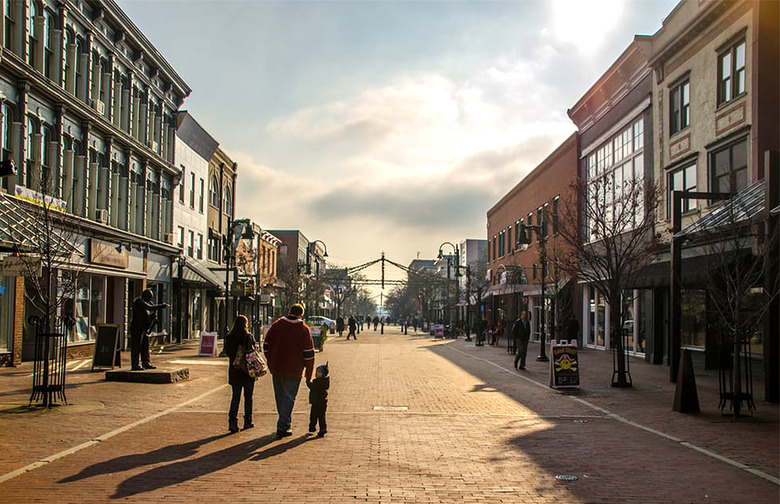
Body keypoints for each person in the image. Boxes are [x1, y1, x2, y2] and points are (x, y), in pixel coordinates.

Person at [263, 303, 315, 439]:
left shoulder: (277, 325)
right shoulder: (303, 329)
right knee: (289, 397)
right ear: (300, 314)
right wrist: (309, 374)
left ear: (289, 311)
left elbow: (266, 345)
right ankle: (283, 425)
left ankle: (283, 421)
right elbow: (309, 354)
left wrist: (271, 361)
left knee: (280, 396)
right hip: (295, 369)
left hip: (277, 367)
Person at [224, 315, 256, 433]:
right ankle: (248, 421)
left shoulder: (229, 337)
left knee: (235, 397)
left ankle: (233, 422)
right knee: (248, 397)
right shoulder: (248, 337)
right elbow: (254, 352)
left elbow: (227, 352)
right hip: (248, 371)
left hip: (235, 370)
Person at [129, 289, 168, 371]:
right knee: (136, 346)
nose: (150, 300)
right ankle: (135, 364)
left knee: (145, 346)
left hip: (143, 328)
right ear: (145, 296)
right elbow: (149, 308)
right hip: (137, 328)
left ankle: (146, 362)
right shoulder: (139, 301)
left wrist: (152, 319)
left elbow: (146, 315)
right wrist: (162, 306)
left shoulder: (144, 303)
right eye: (149, 298)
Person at [306, 362, 330, 437]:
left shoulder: (319, 382)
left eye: (319, 372)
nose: (317, 373)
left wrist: (308, 382)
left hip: (317, 402)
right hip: (321, 401)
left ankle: (314, 427)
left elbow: (312, 387)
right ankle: (321, 428)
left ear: (323, 374)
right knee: (321, 415)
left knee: (314, 415)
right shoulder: (324, 381)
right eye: (316, 371)